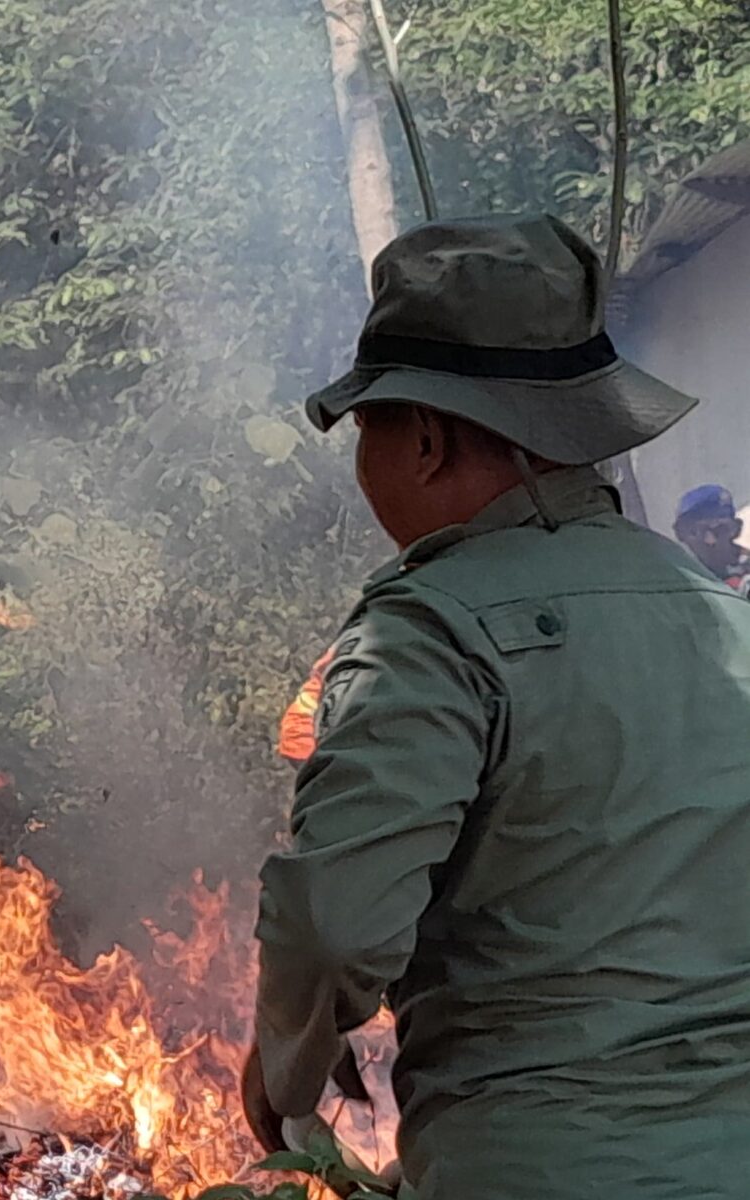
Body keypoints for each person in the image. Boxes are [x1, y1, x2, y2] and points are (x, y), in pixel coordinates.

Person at [245, 213, 750, 1199]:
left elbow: (337, 928)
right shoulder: (725, 616)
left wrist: (287, 1057)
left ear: (426, 439)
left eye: (369, 433)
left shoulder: (429, 630)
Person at [671, 483, 749, 590]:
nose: (711, 540)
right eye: (722, 529)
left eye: (734, 527)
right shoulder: (679, 582)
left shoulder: (742, 574)